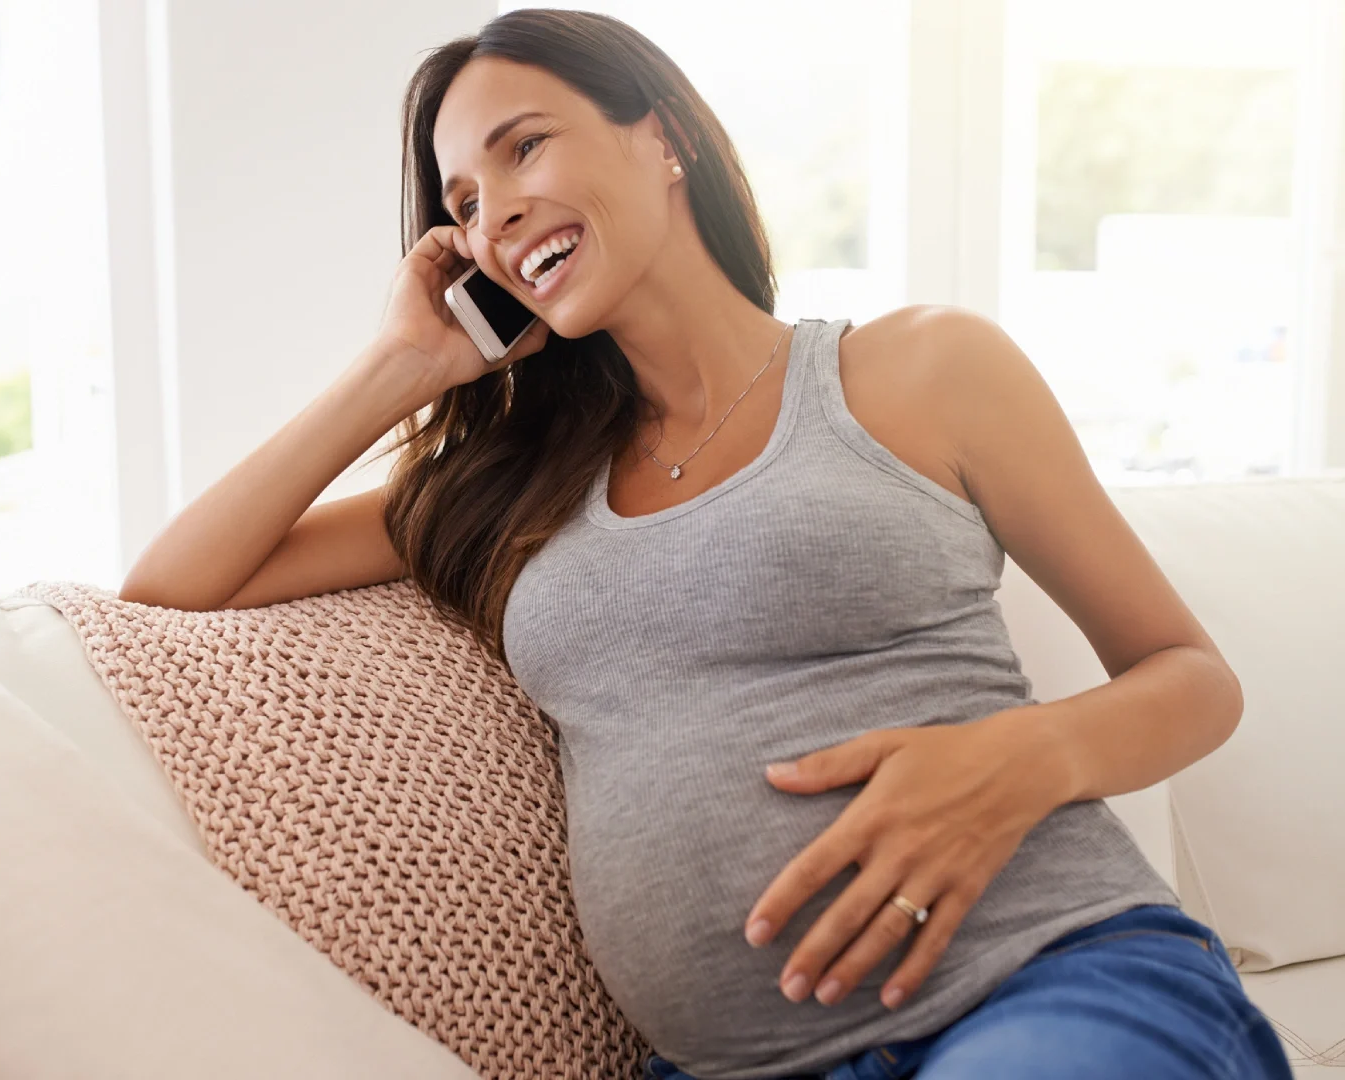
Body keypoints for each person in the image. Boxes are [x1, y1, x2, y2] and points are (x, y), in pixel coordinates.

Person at [118, 9, 1293, 1079]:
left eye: (523, 146)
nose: (495, 213)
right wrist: (402, 366)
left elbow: (1188, 679)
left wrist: (1024, 758)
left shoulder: (921, 370)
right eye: (462, 201)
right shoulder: (502, 489)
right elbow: (171, 587)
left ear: (663, 135)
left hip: (1047, 979)